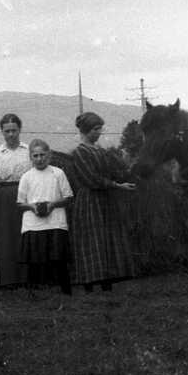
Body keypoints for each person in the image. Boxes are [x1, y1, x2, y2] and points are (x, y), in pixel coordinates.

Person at [69, 111, 137, 293]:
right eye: (95, 129)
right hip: (90, 202)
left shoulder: (101, 151)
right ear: (85, 130)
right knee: (91, 242)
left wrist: (131, 170)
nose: (99, 132)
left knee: (106, 241)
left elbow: (113, 174)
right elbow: (92, 180)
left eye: (100, 129)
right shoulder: (79, 153)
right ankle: (89, 287)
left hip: (106, 200)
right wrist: (119, 186)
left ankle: (107, 286)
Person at [16, 138, 74, 295]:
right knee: (34, 261)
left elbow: (68, 196)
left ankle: (67, 292)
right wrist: (32, 207)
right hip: (33, 224)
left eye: (42, 155)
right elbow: (20, 203)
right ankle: (33, 295)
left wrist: (52, 205)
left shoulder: (58, 173)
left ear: (48, 155)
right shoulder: (26, 177)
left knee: (59, 260)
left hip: (55, 222)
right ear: (30, 157)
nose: (39, 158)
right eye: (35, 156)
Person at [0, 112, 31, 287]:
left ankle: (28, 278)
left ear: (20, 130)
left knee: (25, 234)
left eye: (14, 130)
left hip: (25, 195)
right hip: (3, 198)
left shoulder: (28, 151)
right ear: (2, 132)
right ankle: (8, 279)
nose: (11, 134)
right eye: (7, 131)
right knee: (5, 237)